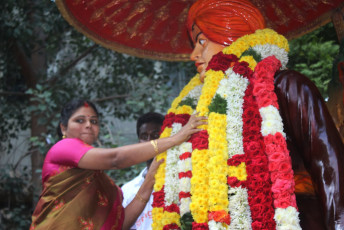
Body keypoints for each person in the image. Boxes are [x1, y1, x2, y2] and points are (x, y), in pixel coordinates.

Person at [151, 1, 344, 230]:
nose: (194, 55)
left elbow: (330, 169)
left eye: (202, 41)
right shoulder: (197, 112)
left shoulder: (284, 86)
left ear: (233, 36)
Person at [29, 99, 206, 230]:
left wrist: (149, 181)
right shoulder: (63, 147)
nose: (89, 125)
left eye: (94, 121)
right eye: (80, 120)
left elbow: (119, 225)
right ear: (63, 128)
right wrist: (176, 138)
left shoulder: (97, 177)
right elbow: (116, 159)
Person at [122, 112, 165, 230]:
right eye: (144, 137)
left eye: (156, 135)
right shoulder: (128, 190)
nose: (150, 142)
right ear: (138, 142)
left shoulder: (183, 181)